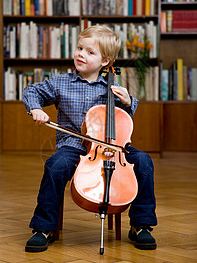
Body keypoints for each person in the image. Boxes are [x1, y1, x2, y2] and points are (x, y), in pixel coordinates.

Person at [23, 25, 157, 253]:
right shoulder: (60, 83)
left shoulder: (112, 87)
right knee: (55, 165)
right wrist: (36, 109)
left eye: (89, 52)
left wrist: (127, 101)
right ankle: (44, 228)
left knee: (143, 161)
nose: (81, 54)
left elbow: (124, 118)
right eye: (79, 48)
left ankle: (140, 225)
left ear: (106, 61)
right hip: (72, 146)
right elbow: (31, 92)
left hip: (110, 147)